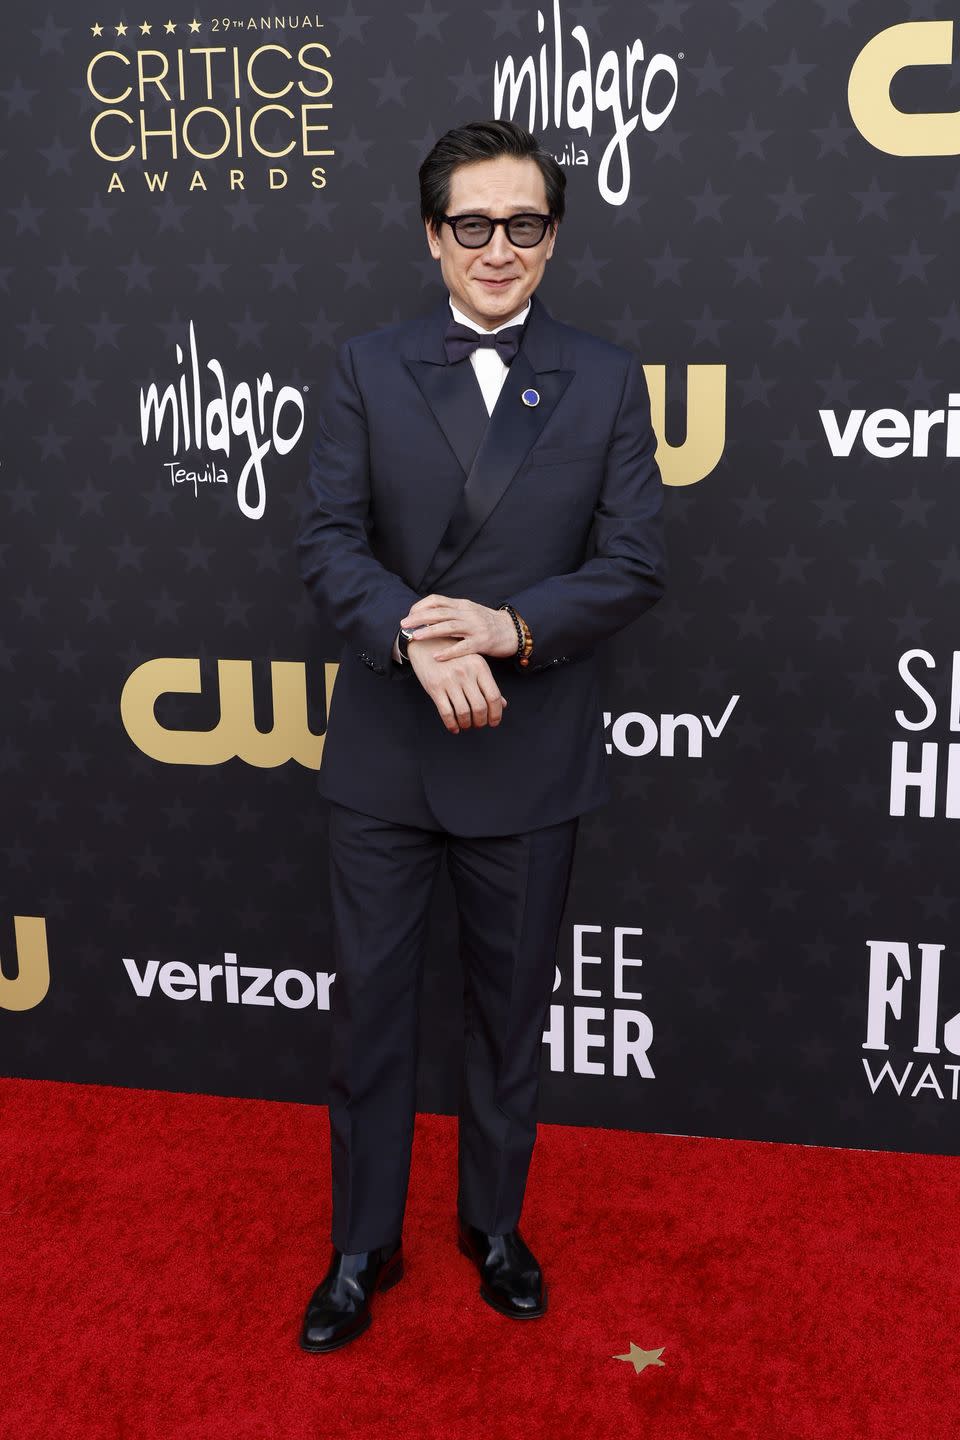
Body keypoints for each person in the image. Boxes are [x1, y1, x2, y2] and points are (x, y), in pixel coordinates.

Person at [295, 118, 666, 1352]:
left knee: (511, 1016)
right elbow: (327, 546)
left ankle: (493, 1225)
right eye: (473, 224)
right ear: (431, 234)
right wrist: (417, 632)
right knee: (369, 1015)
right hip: (389, 756)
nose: (497, 248)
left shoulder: (608, 378)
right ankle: (363, 1243)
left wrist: (507, 626)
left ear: (553, 238)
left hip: (530, 746)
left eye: (525, 225)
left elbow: (631, 566)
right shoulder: (364, 365)